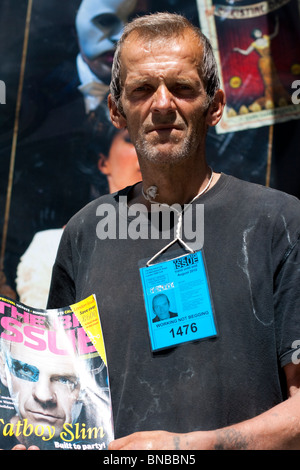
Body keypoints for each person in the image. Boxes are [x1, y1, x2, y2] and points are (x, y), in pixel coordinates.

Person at [46, 13, 300, 450]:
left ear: (216, 105)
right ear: (116, 110)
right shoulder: (85, 233)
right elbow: (62, 403)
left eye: (182, 88)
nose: (162, 104)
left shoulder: (279, 221)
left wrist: (195, 448)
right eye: (142, 89)